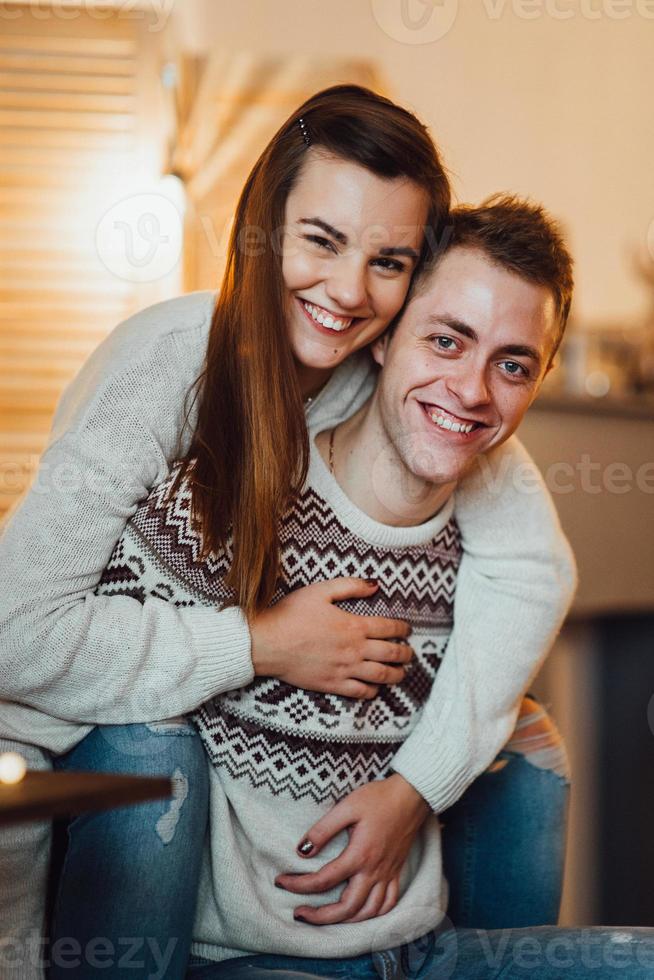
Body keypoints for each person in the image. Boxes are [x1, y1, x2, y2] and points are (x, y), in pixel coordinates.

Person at [0, 88, 573, 978]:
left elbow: (532, 569)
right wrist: (257, 644)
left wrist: (417, 786)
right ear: (263, 224)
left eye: (388, 261)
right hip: (43, 762)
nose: (348, 292)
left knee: (528, 735)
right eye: (320, 240)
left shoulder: (392, 389)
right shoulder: (166, 367)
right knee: (152, 744)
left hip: (207, 787)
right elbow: (11, 635)